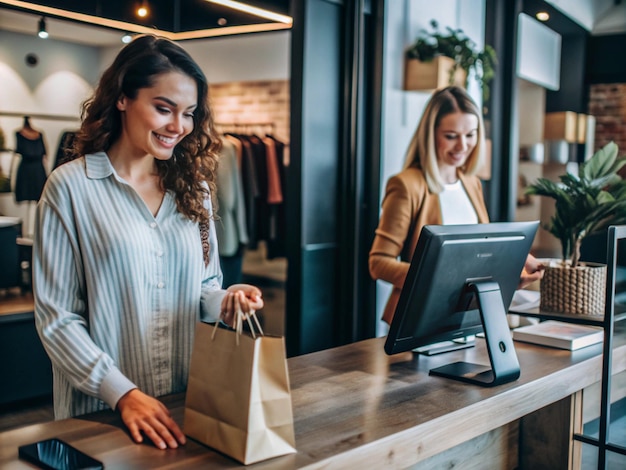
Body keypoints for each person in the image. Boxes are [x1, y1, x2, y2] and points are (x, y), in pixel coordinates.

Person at [33, 35, 264, 451]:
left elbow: (205, 286)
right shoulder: (70, 188)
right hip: (102, 414)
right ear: (122, 98)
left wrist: (228, 300)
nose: (179, 126)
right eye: (163, 108)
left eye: (189, 113)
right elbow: (58, 318)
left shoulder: (195, 188)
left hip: (184, 404)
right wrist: (124, 394)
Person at [369, 86, 543, 325]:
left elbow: (483, 248)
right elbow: (378, 263)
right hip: (420, 322)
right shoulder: (406, 185)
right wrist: (436, 280)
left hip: (470, 317)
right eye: (451, 136)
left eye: (470, 135)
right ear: (431, 135)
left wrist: (517, 261)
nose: (463, 145)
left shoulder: (472, 183)